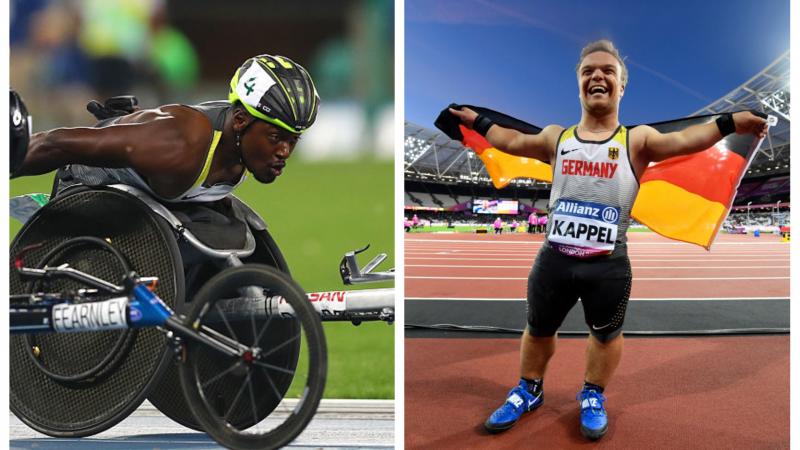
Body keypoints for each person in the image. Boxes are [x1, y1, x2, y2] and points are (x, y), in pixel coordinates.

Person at [449, 40, 767, 440]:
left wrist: (730, 122)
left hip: (608, 266)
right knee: (538, 329)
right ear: (579, 83)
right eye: (588, 71)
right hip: (554, 261)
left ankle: (592, 394)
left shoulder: (637, 140)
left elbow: (686, 141)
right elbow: (509, 141)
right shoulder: (555, 138)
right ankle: (529, 390)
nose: (597, 76)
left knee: (605, 335)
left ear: (620, 87)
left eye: (607, 71)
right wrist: (475, 121)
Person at [14, 54, 319, 207]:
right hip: (87, 191)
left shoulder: (238, 145)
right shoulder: (182, 143)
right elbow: (58, 144)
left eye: (293, 140)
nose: (284, 152)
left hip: (150, 205)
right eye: (277, 137)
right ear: (240, 120)